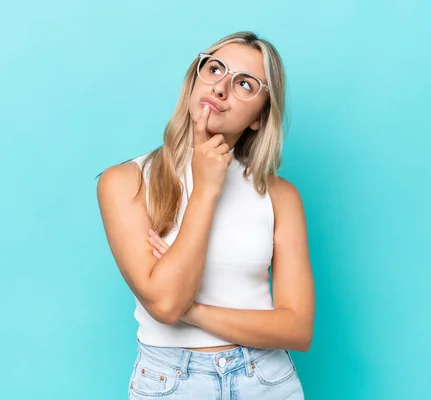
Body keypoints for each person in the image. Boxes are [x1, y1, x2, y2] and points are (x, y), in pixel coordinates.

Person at [97, 31, 315, 399]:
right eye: (215, 69)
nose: (221, 88)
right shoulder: (125, 182)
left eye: (244, 83)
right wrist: (206, 190)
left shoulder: (280, 196)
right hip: (170, 382)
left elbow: (297, 328)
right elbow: (166, 306)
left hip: (265, 380)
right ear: (194, 80)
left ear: (260, 117)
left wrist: (194, 311)